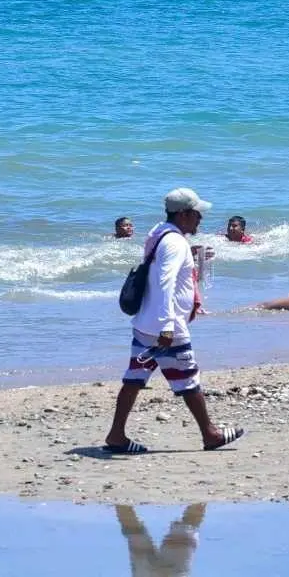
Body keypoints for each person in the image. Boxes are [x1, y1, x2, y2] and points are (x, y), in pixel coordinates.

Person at [102, 188, 244, 456]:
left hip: (146, 322)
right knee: (188, 379)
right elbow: (165, 282)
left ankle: (116, 434)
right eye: (197, 213)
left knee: (135, 378)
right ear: (184, 214)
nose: (200, 218)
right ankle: (210, 434)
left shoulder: (160, 233)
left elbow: (165, 275)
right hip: (166, 327)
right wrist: (167, 325)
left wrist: (194, 259)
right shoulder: (174, 242)